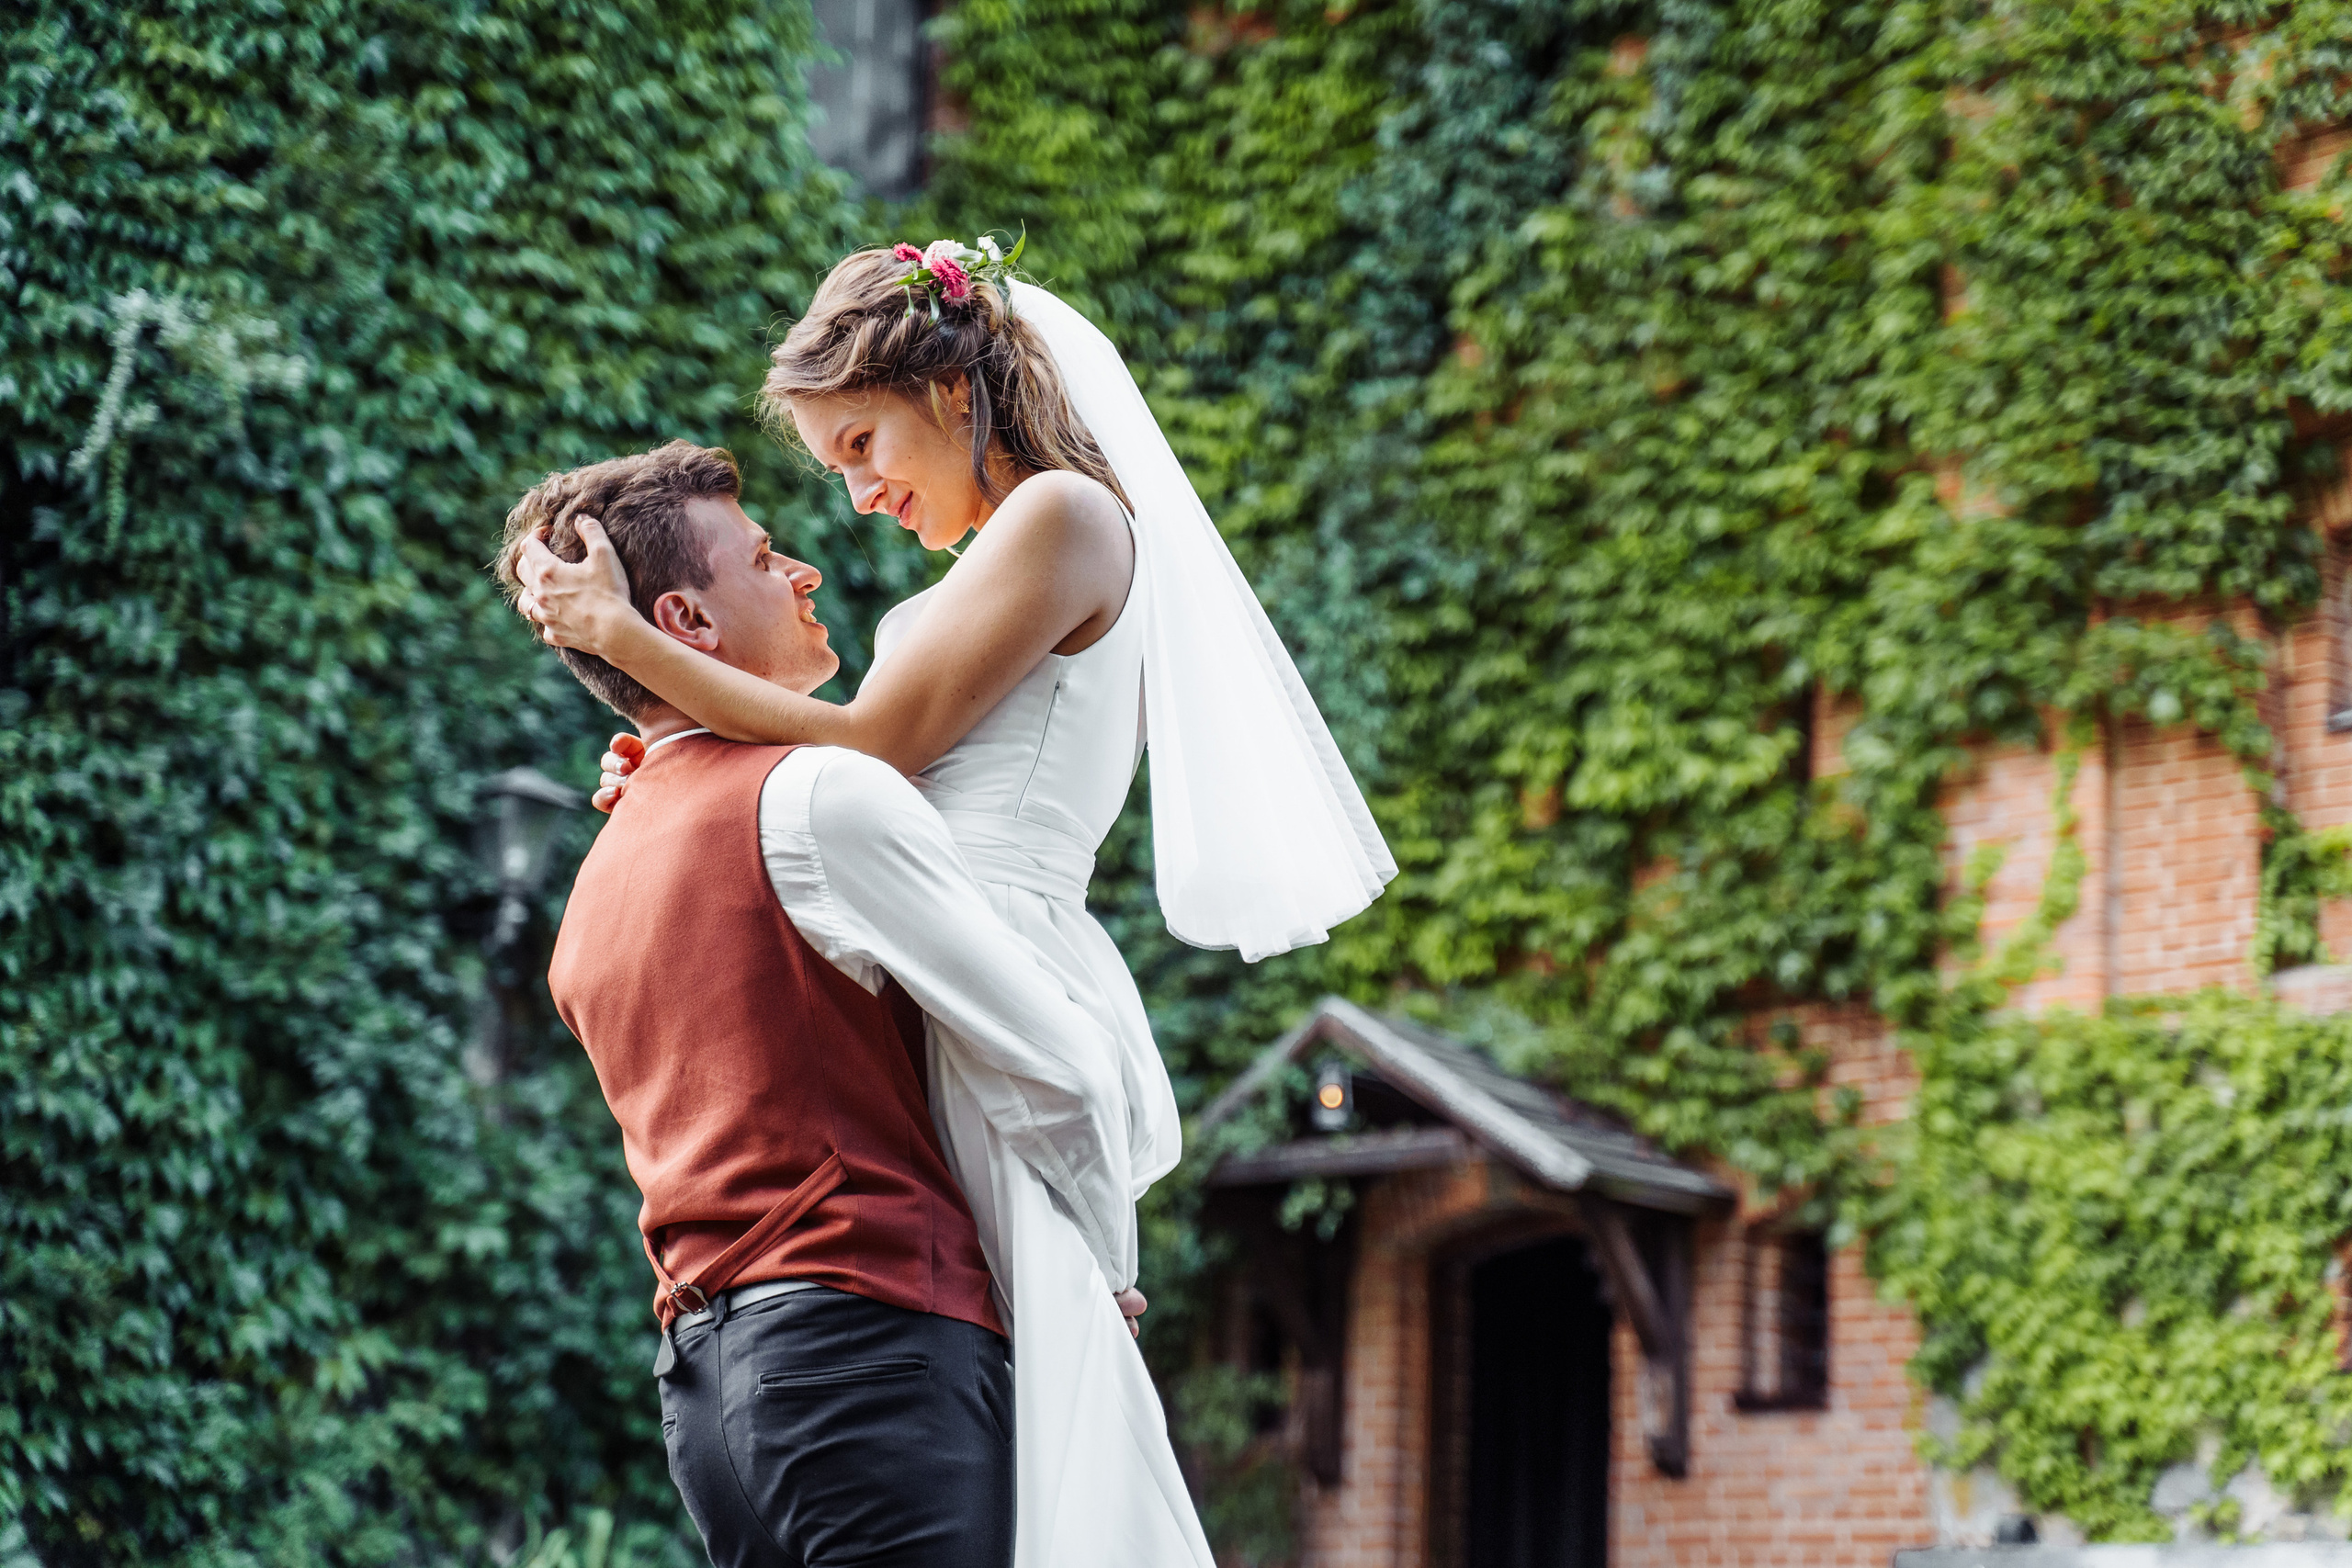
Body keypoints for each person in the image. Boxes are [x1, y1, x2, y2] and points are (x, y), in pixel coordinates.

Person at [513, 240, 1396, 1568]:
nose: (860, 497)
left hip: (986, 968)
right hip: (918, 958)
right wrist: (678, 752)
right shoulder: (983, 574)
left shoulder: (1068, 517)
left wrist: (631, 648)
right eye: (835, 469)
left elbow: (862, 750)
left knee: (1050, 1432)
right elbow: (843, 759)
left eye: (862, 445)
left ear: (946, 385)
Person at [493, 440, 1147, 1568]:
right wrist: (1100, 1273)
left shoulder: (601, 871)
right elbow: (1065, 1072)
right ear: (684, 624)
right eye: (761, 557)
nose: (804, 571)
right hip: (873, 1359)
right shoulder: (818, 793)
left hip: (707, 1404)